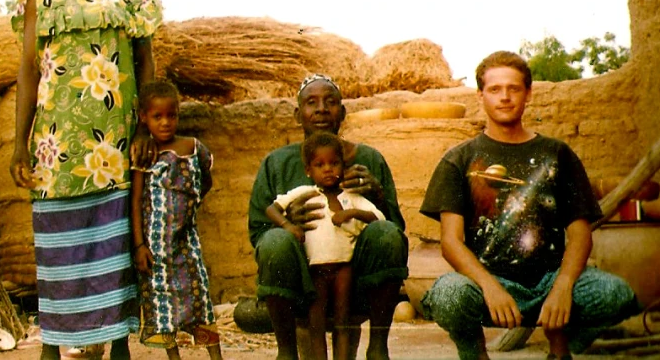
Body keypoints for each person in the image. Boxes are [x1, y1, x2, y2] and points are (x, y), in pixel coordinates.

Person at [9, 0, 163, 360]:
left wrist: (141, 125)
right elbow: (29, 71)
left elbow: (145, 64)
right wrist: (19, 143)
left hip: (111, 141)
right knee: (59, 249)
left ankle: (117, 344)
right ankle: (53, 347)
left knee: (109, 247)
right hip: (56, 143)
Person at [419, 51, 640, 360]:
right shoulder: (459, 159)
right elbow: (451, 242)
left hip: (551, 279)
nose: (505, 97)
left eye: (514, 88)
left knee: (617, 295)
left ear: (529, 93)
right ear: (481, 95)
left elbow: (580, 234)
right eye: (495, 89)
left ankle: (561, 348)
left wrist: (563, 286)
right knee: (449, 295)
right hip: (486, 281)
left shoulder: (557, 153)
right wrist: (490, 287)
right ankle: (474, 354)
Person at [249, 74, 409, 360]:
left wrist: (377, 196)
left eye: (331, 102)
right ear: (298, 114)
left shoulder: (369, 159)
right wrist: (287, 223)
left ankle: (377, 348)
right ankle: (286, 352)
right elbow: (258, 232)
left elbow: (396, 229)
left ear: (343, 112)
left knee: (386, 234)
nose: (322, 109)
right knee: (274, 241)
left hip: (355, 279)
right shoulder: (276, 163)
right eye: (312, 103)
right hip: (301, 280)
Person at [266, 131, 385, 360]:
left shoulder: (351, 196)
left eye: (334, 163)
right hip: (315, 271)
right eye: (319, 165)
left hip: (344, 269)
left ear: (343, 165)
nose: (328, 169)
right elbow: (271, 209)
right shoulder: (305, 194)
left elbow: (378, 218)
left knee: (343, 320)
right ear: (308, 171)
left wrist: (351, 212)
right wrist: (287, 226)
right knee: (316, 323)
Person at [130, 80, 223, 360]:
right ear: (144, 117)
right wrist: (139, 246)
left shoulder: (194, 148)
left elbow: (204, 181)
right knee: (163, 309)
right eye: (157, 117)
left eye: (172, 115)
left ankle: (216, 357)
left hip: (186, 242)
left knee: (200, 302)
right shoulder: (145, 154)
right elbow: (134, 202)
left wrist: (188, 207)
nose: (166, 122)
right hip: (155, 249)